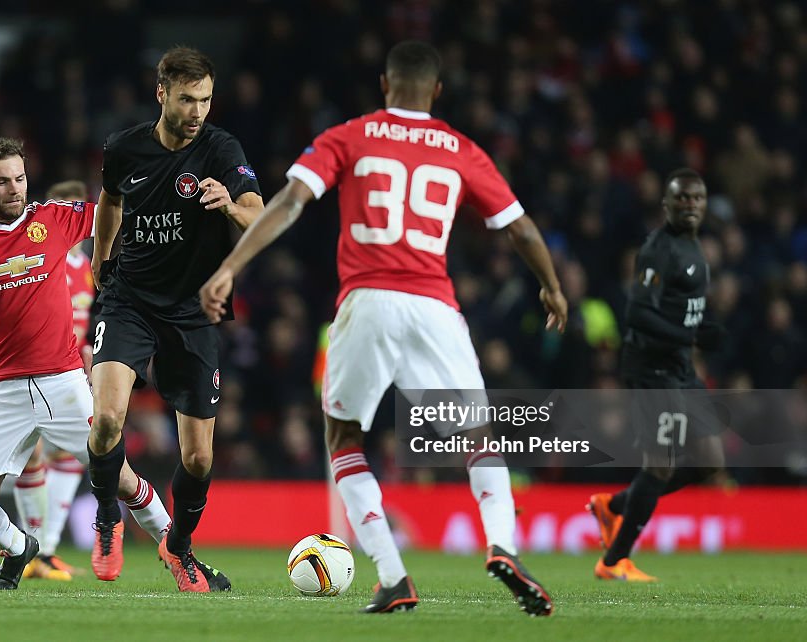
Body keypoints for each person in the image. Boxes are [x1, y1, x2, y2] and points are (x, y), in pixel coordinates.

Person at [200, 40, 564, 615]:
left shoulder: (351, 135)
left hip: (368, 299)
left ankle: (394, 576)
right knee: (477, 437)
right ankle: (504, 545)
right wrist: (551, 285)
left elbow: (292, 200)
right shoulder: (461, 148)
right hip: (435, 307)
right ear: (437, 92)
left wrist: (230, 266)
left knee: (344, 437)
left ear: (385, 85)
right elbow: (518, 228)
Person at [0, 138, 170, 589]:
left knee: (121, 478)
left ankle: (180, 552)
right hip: (3, 390)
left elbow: (115, 206)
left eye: (20, 178)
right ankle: (21, 547)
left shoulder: (53, 217)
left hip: (63, 381)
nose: (15, 188)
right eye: (2, 181)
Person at [87, 46, 264, 591]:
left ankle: (178, 547)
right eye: (187, 99)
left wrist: (229, 205)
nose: (197, 112)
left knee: (199, 456)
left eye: (206, 100)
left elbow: (258, 215)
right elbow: (110, 202)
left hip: (191, 312)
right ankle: (108, 518)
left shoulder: (221, 150)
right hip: (130, 301)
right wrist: (100, 259)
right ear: (161, 93)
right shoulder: (124, 148)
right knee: (109, 418)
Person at [587, 168, 725, 581]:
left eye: (697, 199)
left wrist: (700, 331)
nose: (690, 206)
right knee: (660, 465)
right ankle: (614, 561)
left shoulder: (693, 245)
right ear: (666, 205)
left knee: (709, 461)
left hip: (680, 368)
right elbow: (638, 312)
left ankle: (611, 507)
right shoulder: (658, 249)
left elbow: (679, 309)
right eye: (681, 199)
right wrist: (690, 335)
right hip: (653, 369)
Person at [14, 179, 106, 582]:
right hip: (36, 369)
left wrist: (88, 347)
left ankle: (44, 549)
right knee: (30, 456)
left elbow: (87, 315)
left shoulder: (84, 264)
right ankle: (36, 546)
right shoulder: (39, 259)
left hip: (72, 368)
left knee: (66, 457)